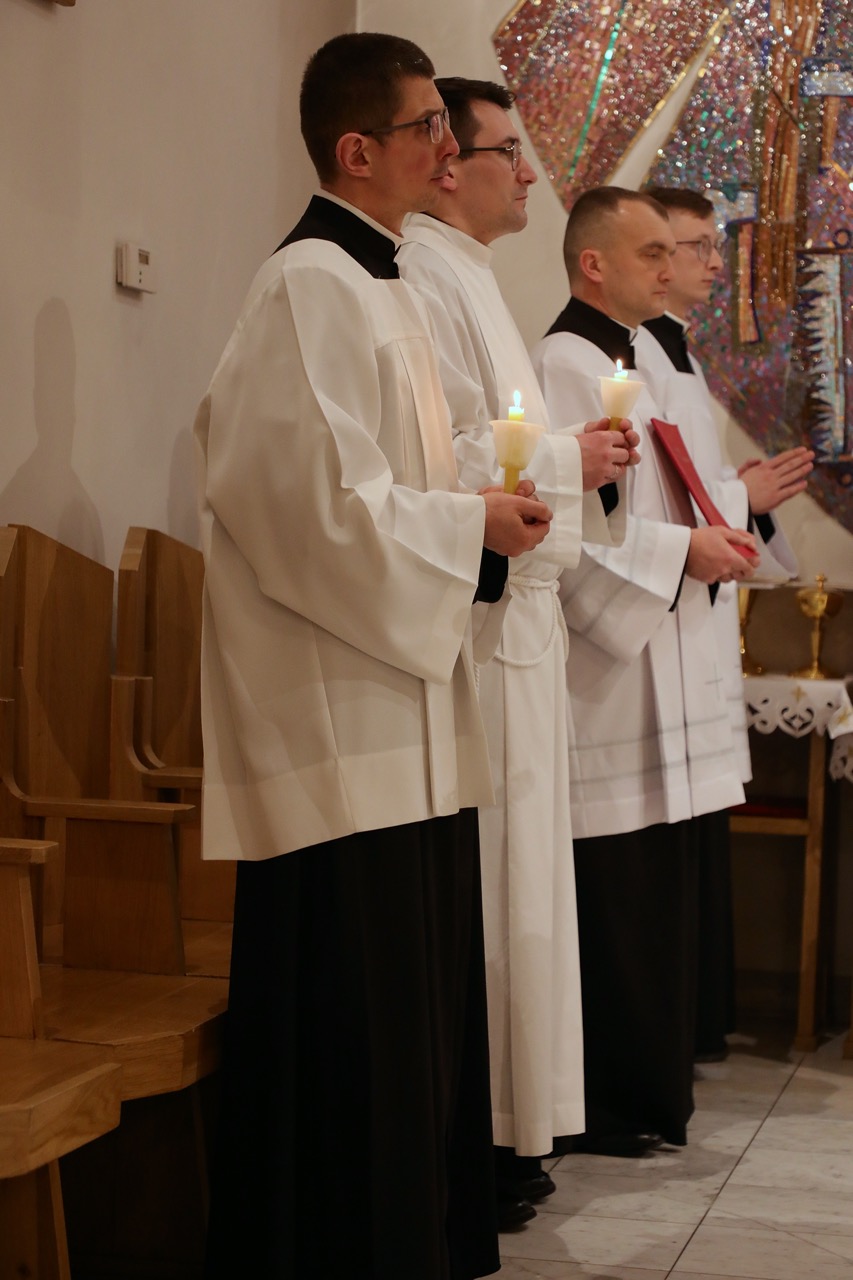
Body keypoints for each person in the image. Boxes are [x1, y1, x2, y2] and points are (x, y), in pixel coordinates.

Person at [194, 33, 554, 1280]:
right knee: (349, 1015)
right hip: (338, 722)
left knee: (407, 1012)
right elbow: (310, 512)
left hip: (402, 708)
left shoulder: (385, 282)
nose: (449, 149)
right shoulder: (307, 285)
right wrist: (469, 527)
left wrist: (481, 508)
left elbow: (395, 480)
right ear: (357, 150)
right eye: (426, 128)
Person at [398, 79, 637, 1226]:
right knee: (496, 890)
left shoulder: (473, 277)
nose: (530, 173)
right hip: (485, 635)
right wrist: (558, 462)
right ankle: (484, 1133)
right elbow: (439, 456)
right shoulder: (422, 275)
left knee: (529, 891)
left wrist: (564, 457)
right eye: (508, 151)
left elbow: (491, 444)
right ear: (450, 163)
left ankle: (516, 1128)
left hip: (523, 626)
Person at [530, 186, 757, 1155]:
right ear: (593, 264)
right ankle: (610, 1098)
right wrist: (678, 554)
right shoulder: (564, 362)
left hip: (653, 646)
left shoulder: (627, 360)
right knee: (616, 891)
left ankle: (644, 1091)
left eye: (675, 253)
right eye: (651, 254)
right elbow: (572, 528)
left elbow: (649, 501)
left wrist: (705, 537)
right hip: (605, 675)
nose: (671, 270)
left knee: (650, 887)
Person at [635, 185, 813, 1060]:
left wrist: (739, 495)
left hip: (694, 613)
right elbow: (653, 502)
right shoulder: (630, 356)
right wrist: (741, 497)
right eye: (695, 245)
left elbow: (690, 488)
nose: (713, 261)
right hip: (651, 632)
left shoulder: (677, 353)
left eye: (712, 245)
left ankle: (696, 1022)